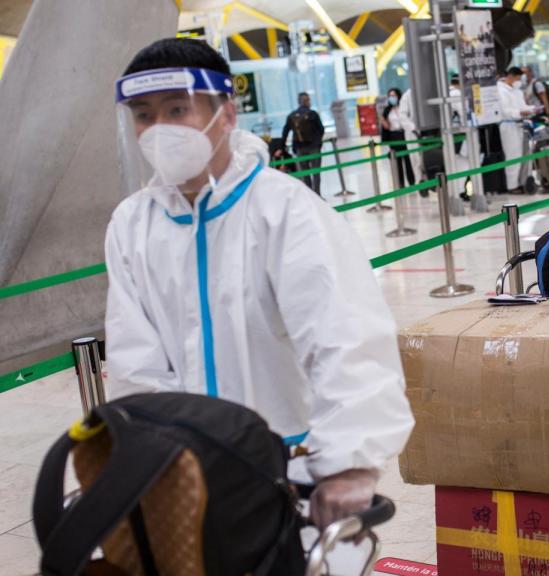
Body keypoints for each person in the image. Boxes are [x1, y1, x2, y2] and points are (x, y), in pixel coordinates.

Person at [106, 38, 414, 531]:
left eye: (177, 109)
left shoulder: (286, 211)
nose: (158, 130)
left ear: (226, 114)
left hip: (292, 473)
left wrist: (349, 464)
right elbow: (133, 361)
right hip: (185, 474)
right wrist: (150, 454)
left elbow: (345, 337)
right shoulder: (131, 225)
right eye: (144, 115)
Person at [498, 66, 537, 192]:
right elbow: (504, 111)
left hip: (520, 124)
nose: (519, 81)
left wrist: (532, 109)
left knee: (521, 154)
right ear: (510, 76)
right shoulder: (500, 90)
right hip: (508, 125)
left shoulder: (516, 91)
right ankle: (512, 186)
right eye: (518, 78)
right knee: (512, 155)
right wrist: (520, 112)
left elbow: (522, 106)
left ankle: (520, 181)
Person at [281, 91, 325, 194]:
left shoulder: (291, 116)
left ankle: (310, 196)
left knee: (305, 174)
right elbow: (321, 129)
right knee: (316, 173)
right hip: (314, 148)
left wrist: (282, 146)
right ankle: (318, 195)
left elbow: (285, 132)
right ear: (307, 101)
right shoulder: (313, 114)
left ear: (298, 102)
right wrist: (318, 142)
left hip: (300, 149)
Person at [381, 88, 416, 188]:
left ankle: (412, 182)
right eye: (390, 96)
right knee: (397, 162)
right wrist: (383, 121)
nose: (392, 98)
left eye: (394, 95)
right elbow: (386, 127)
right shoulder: (387, 110)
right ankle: (400, 184)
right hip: (393, 137)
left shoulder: (403, 107)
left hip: (404, 135)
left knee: (408, 160)